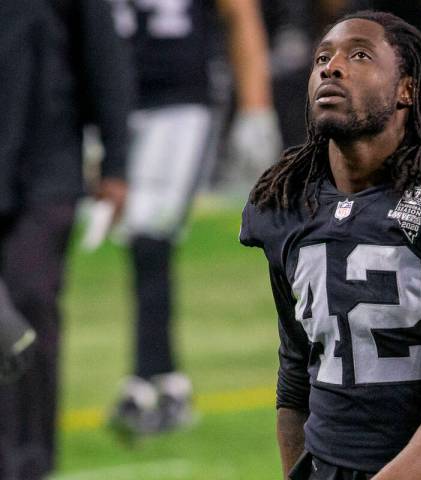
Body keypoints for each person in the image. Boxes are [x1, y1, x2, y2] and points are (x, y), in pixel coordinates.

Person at [240, 11, 421, 479]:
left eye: (359, 55)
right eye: (322, 57)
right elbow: (296, 374)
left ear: (407, 90)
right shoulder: (289, 203)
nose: (331, 68)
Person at [107, 0, 280, 437]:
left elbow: (240, 13)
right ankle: (164, 380)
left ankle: (148, 380)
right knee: (136, 240)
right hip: (112, 100)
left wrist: (256, 105)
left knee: (150, 238)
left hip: (178, 102)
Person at [0, 0, 131, 477]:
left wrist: (116, 163)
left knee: (29, 300)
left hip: (44, 166)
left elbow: (105, 58)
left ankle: (28, 462)